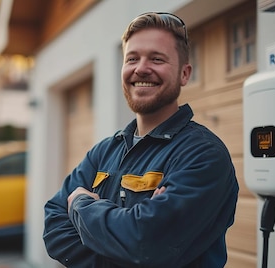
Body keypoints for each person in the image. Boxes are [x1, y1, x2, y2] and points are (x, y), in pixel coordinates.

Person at [43, 12, 239, 268]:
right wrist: (124, 246)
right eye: (132, 58)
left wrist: (80, 203)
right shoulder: (104, 151)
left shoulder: (203, 155)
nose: (141, 68)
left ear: (184, 73)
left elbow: (145, 242)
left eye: (157, 59)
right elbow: (53, 224)